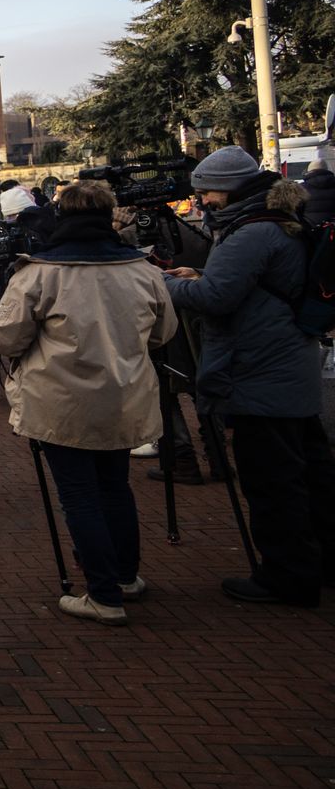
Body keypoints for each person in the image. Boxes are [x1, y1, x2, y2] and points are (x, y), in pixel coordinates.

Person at [0, 182, 179, 624]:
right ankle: (125, 578)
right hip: (124, 397)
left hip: (61, 402)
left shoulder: (39, 272)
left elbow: (3, 337)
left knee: (79, 497)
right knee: (115, 488)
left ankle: (103, 593)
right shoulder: (142, 268)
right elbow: (164, 332)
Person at [163, 146, 335, 607]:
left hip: (259, 372)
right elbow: (250, 284)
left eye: (206, 193)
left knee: (272, 480)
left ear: (229, 188)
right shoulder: (273, 221)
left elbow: (219, 297)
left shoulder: (249, 232)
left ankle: (286, 576)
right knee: (312, 474)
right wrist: (199, 274)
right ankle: (319, 566)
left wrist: (166, 285)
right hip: (286, 367)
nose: (201, 203)